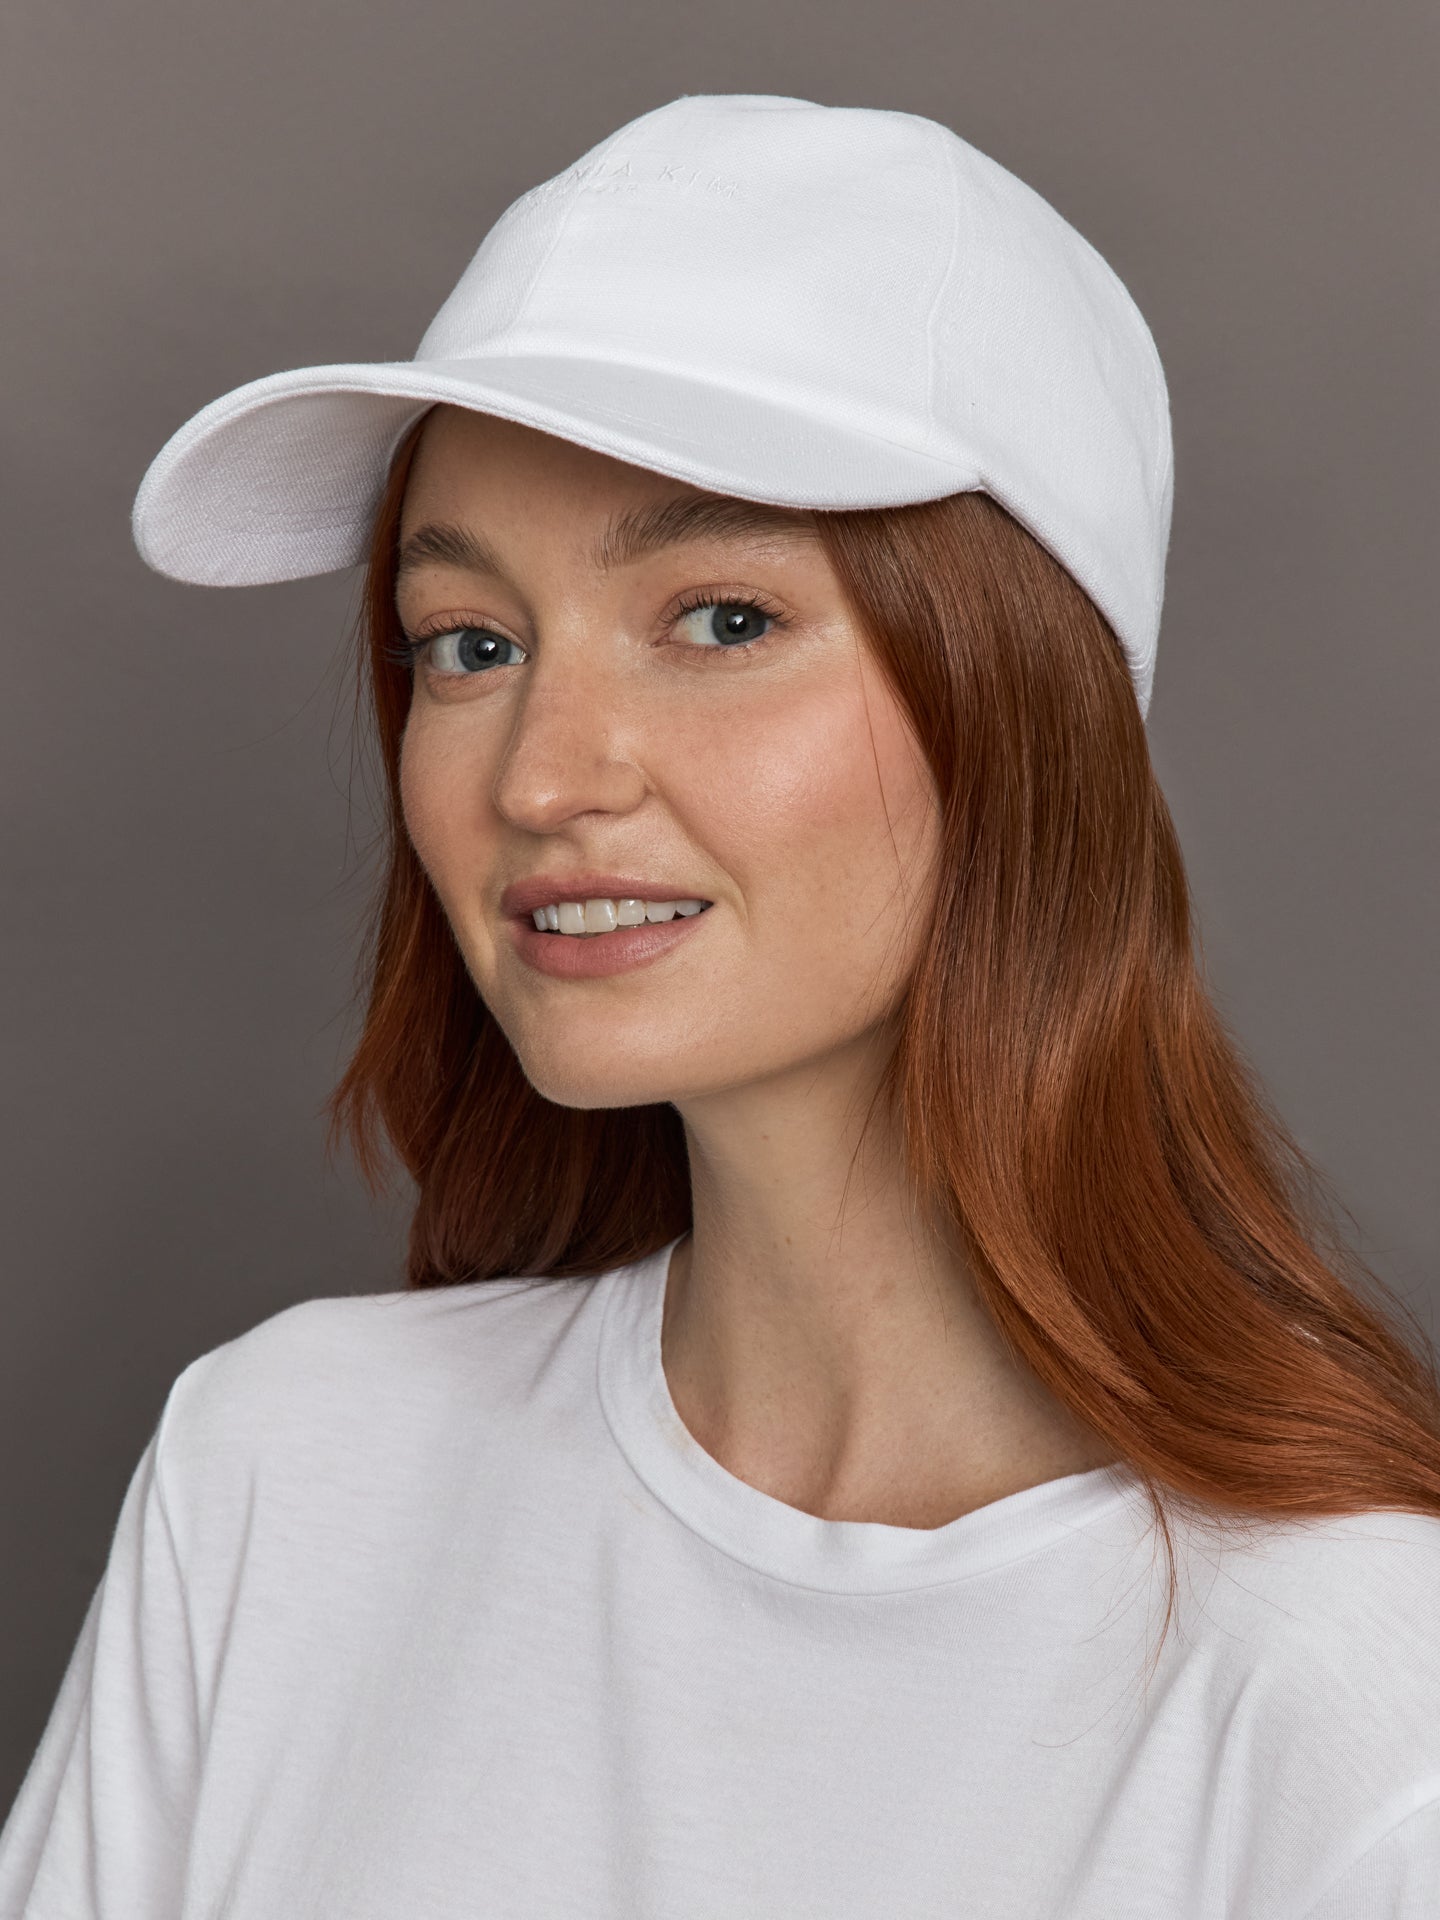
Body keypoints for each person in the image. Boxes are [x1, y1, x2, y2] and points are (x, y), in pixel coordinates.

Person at [1, 93, 1437, 1920]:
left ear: (1026, 705)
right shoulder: (284, 1477)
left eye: (724, 621)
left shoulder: (1356, 1705)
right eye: (472, 644)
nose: (542, 775)